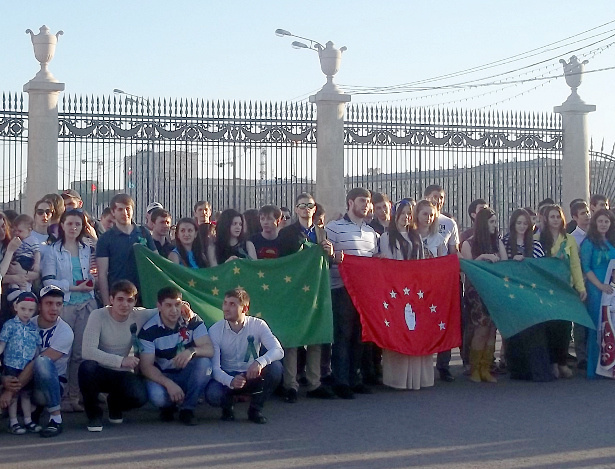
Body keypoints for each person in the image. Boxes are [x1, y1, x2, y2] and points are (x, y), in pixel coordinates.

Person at [277, 193, 335, 402]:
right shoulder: (287, 233)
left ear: (314, 209)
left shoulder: (321, 232)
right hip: (294, 290)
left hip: (316, 289)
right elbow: (283, 262)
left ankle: (314, 382)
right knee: (292, 338)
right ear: (296, 209)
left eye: (309, 205)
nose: (306, 209)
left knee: (315, 335)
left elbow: (328, 263)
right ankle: (290, 384)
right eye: (301, 205)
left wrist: (331, 253)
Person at [41, 209, 98, 412]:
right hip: (65, 304)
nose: (74, 228)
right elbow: (48, 281)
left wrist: (91, 282)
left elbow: (95, 273)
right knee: (64, 352)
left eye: (78, 224)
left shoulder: (88, 249)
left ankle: (75, 395)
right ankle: (62, 396)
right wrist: (73, 287)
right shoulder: (52, 251)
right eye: (70, 223)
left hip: (87, 303)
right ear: (62, 225)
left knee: (80, 353)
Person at [0, 285, 74, 438]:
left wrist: (9, 392)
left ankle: (55, 419)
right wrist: (3, 380)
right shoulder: (26, 322)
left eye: (58, 304)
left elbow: (35, 364)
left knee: (42, 361)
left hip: (50, 383)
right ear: (39, 306)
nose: (54, 308)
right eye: (49, 303)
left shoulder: (65, 332)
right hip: (22, 378)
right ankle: (23, 415)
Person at [325, 187, 378, 399]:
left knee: (359, 335)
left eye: (368, 201)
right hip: (341, 289)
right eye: (362, 200)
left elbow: (374, 261)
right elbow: (323, 258)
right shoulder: (333, 228)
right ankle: (341, 381)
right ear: (350, 202)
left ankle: (355, 378)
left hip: (365, 292)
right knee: (343, 335)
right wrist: (333, 257)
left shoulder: (372, 233)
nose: (366, 205)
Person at [79, 280, 152, 432]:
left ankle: (114, 403)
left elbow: (165, 309)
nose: (125, 304)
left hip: (122, 374)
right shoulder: (98, 315)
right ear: (111, 300)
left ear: (135, 302)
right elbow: (87, 351)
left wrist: (184, 306)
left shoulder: (140, 314)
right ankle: (94, 415)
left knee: (140, 397)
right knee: (86, 368)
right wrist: (121, 361)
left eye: (129, 300)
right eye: (120, 299)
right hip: (99, 371)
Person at [205, 288, 283, 424]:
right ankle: (227, 407)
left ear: (245, 308)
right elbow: (215, 368)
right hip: (228, 375)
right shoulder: (215, 330)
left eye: (232, 304)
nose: (226, 308)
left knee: (276, 368)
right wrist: (230, 381)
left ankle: (255, 410)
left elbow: (278, 350)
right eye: (225, 303)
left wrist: (260, 362)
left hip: (251, 374)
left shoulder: (258, 325)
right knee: (213, 394)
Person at [380, 199, 435, 390]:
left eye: (409, 214)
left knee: (416, 329)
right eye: (402, 213)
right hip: (396, 290)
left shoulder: (416, 237)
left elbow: (421, 263)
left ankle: (417, 378)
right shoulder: (387, 237)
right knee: (399, 330)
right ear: (396, 215)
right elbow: (388, 263)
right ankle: (397, 378)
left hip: (414, 290)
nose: (406, 217)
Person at [138, 287, 213, 425]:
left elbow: (209, 349)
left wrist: (191, 351)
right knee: (158, 397)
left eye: (177, 304)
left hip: (186, 373)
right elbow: (146, 367)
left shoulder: (192, 320)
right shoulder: (148, 330)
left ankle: (187, 409)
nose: (174, 310)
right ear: (159, 306)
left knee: (205, 363)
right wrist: (169, 384)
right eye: (168, 305)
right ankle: (169, 406)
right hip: (163, 375)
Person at [501, 209, 551, 382]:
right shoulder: (505, 242)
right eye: (519, 223)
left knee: (534, 331)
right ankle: (518, 370)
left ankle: (538, 370)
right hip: (512, 293)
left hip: (531, 294)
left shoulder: (536, 244)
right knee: (516, 331)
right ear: (513, 224)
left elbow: (541, 268)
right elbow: (502, 266)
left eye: (525, 223)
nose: (522, 226)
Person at [538, 204, 587, 379]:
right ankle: (552, 363)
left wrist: (580, 288)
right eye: (552, 217)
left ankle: (562, 362)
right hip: (547, 289)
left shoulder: (569, 240)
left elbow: (575, 265)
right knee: (550, 327)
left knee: (565, 327)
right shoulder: (538, 239)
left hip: (566, 288)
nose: (555, 220)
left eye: (558, 217)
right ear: (546, 219)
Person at [461, 208, 508, 383]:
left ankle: (486, 367)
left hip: (494, 291)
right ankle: (475, 368)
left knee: (492, 330)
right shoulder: (468, 244)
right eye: (492, 222)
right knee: (481, 329)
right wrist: (482, 257)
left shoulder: (497, 242)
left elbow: (505, 264)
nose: (495, 225)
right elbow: (468, 268)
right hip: (476, 292)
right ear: (482, 223)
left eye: (495, 221)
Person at [424, 184, 460, 382]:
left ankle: (443, 366)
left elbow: (454, 252)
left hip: (444, 280)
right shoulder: (417, 220)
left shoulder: (449, 223)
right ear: (426, 197)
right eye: (435, 196)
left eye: (441, 197)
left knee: (445, 321)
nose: (438, 200)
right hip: (422, 280)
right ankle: (423, 364)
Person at [96, 193, 157, 306]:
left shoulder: (144, 233)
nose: (125, 213)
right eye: (120, 209)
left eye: (128, 209)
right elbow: (102, 274)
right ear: (113, 212)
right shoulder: (105, 239)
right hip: (118, 296)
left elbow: (156, 261)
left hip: (143, 295)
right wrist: (106, 304)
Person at [580, 208, 615, 379]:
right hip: (596, 289)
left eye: (606, 221)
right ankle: (594, 368)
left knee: (611, 325)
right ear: (595, 223)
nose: (603, 224)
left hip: (611, 289)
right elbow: (586, 268)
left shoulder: (610, 242)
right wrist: (600, 286)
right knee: (597, 326)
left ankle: (609, 365)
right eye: (600, 221)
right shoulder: (588, 243)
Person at [0, 292, 41, 434]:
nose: (26, 313)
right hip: (11, 365)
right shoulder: (9, 325)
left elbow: (37, 348)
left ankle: (28, 420)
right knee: (14, 394)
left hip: (26, 367)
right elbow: (2, 344)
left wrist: (37, 361)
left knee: (26, 394)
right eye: (23, 308)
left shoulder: (33, 328)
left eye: (30, 310)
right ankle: (13, 422)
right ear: (16, 307)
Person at [569, 200, 591, 369]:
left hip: (597, 284)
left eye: (587, 212)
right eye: (582, 213)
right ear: (575, 217)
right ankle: (581, 356)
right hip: (580, 283)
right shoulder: (572, 238)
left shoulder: (596, 235)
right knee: (581, 322)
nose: (587, 216)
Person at [5, 214, 41, 302]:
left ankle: (26, 292)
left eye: (20, 231)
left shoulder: (32, 240)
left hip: (27, 260)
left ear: (29, 230)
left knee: (25, 280)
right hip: (18, 259)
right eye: (15, 231)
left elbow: (37, 253)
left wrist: (36, 264)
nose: (17, 233)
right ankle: (15, 290)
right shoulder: (16, 240)